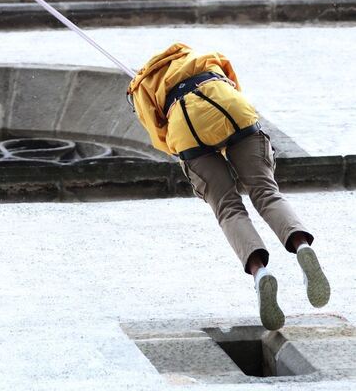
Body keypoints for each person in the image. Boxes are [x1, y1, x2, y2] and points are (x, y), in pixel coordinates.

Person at [128, 42, 330, 331]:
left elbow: (159, 136)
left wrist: (188, 148)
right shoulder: (198, 56)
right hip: (227, 104)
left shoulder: (141, 87)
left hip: (185, 124)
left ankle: (260, 274)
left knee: (228, 208)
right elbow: (231, 80)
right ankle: (301, 247)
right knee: (266, 192)